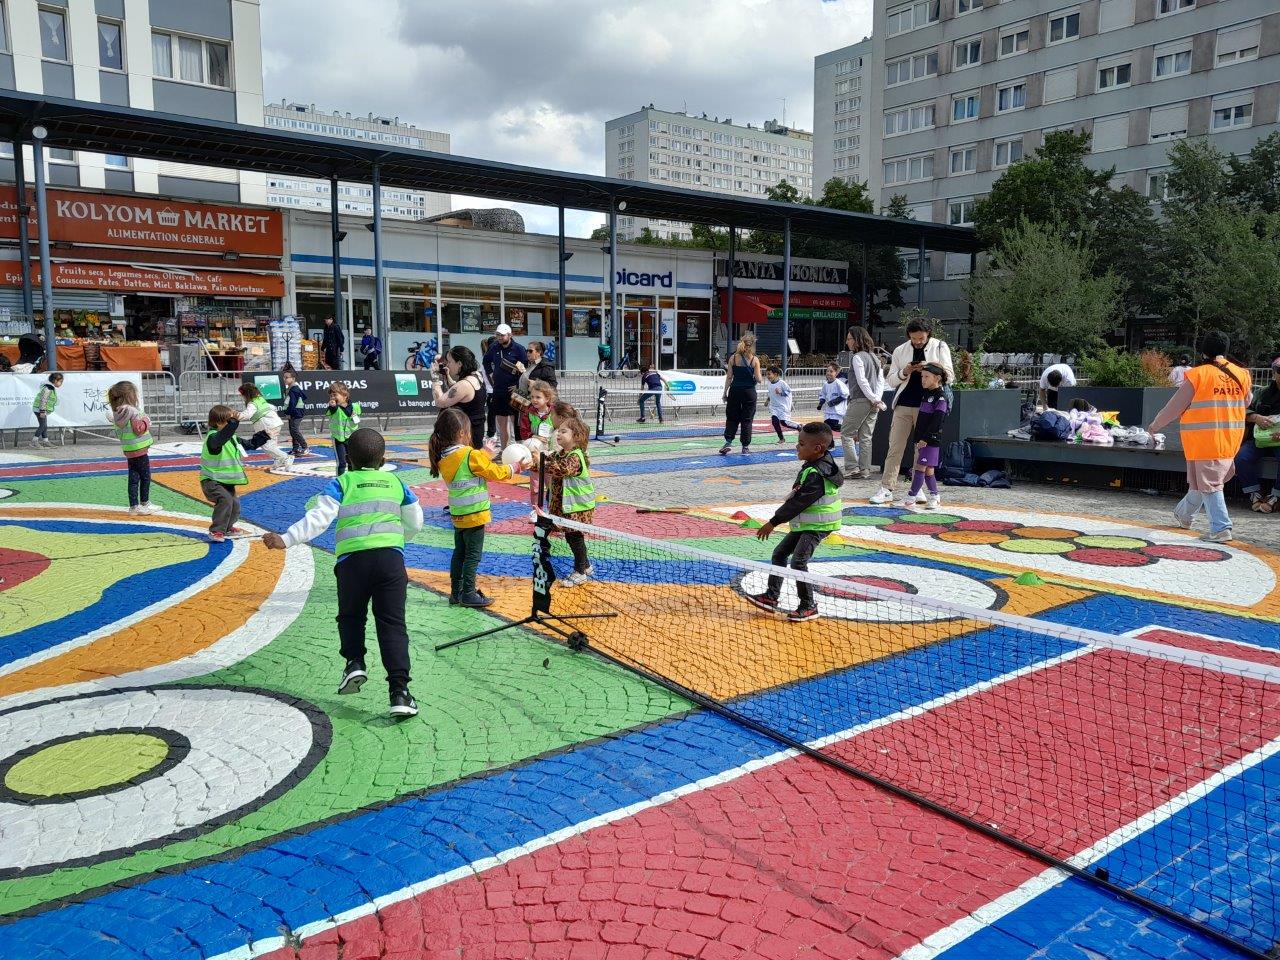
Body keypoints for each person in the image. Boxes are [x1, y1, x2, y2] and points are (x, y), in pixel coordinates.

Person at [264, 427, 422, 719]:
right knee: (392, 624)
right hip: (390, 560)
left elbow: (317, 519)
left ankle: (354, 663)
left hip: (351, 563)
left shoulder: (342, 483)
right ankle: (400, 692)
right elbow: (415, 520)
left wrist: (285, 539)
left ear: (347, 457)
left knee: (350, 616)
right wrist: (399, 539)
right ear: (383, 459)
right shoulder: (396, 483)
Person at [1148, 331, 1251, 543]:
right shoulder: (1242, 374)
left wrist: (1155, 426)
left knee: (1210, 483)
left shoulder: (1198, 375)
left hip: (1203, 440)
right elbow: (1247, 401)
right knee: (1199, 482)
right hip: (1230, 438)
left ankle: (1221, 528)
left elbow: (1174, 407)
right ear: (1225, 350)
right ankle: (1184, 516)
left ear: (1203, 351)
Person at [742, 422, 844, 623]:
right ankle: (771, 597)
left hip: (819, 525)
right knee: (780, 554)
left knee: (798, 561)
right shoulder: (816, 463)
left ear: (817, 449)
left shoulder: (817, 473)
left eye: (801, 443)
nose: (797, 446)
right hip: (807, 524)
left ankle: (808, 606)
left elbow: (798, 503)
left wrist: (773, 522)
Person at [429, 407, 522, 607]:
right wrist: (515, 468)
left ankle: (456, 592)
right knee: (473, 555)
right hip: (475, 514)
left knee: (459, 553)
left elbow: (468, 466)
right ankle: (469, 593)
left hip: (458, 515)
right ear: (462, 433)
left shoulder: (443, 456)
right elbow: (493, 472)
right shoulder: (470, 454)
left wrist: (484, 454)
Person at [870, 318, 954, 505]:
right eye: (914, 338)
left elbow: (950, 374)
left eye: (921, 338)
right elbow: (891, 380)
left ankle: (918, 489)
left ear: (928, 334)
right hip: (904, 403)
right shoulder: (900, 350)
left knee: (921, 448)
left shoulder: (939, 347)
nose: (917, 342)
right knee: (895, 446)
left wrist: (928, 366)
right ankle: (887, 488)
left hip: (928, 405)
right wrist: (905, 371)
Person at [541, 416, 597, 586]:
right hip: (565, 506)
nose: (558, 434)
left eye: (563, 431)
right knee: (572, 536)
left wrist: (542, 462)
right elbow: (550, 463)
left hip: (578, 507)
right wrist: (533, 462)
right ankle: (585, 565)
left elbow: (562, 469)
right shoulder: (561, 453)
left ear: (576, 436)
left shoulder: (575, 456)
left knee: (575, 537)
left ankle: (580, 572)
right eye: (558, 431)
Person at [898, 363, 950, 511]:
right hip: (922, 439)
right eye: (922, 376)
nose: (923, 380)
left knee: (920, 468)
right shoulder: (926, 394)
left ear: (937, 378)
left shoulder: (941, 398)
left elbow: (937, 421)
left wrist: (925, 439)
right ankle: (935, 497)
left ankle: (910, 497)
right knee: (928, 470)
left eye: (927, 377)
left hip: (930, 440)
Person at [1234, 357, 1280, 513]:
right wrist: (1256, 417)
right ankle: (1254, 493)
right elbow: (1243, 410)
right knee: (1241, 457)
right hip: (1259, 439)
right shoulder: (1261, 393)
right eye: (1279, 371)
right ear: (1274, 373)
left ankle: (1276, 497)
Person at [106, 380, 159, 515]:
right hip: (140, 449)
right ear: (130, 396)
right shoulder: (132, 411)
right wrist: (146, 421)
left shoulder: (117, 412)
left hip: (129, 450)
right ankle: (145, 502)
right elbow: (138, 429)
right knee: (145, 477)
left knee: (133, 478)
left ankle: (133, 506)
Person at [841, 326, 886, 480]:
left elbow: (862, 381)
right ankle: (865, 470)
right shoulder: (875, 357)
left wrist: (873, 398)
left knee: (846, 433)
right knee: (866, 437)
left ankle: (852, 467)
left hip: (860, 399)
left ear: (857, 340)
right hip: (874, 401)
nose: (847, 342)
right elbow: (880, 381)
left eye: (849, 339)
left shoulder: (857, 357)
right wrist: (877, 399)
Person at [199, 404, 247, 543]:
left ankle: (227, 527)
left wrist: (264, 435)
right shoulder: (213, 438)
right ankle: (216, 530)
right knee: (225, 500)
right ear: (219, 423)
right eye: (228, 421)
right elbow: (223, 435)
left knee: (235, 503)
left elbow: (248, 444)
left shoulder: (231, 437)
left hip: (225, 480)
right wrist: (234, 422)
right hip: (211, 480)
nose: (231, 425)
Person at [432, 345, 487, 448]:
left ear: (460, 363)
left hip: (464, 439)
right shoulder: (476, 376)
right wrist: (447, 376)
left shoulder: (465, 384)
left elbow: (440, 402)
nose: (446, 365)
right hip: (472, 433)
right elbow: (458, 392)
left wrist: (435, 378)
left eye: (449, 362)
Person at [483, 323, 528, 449]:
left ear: (510, 335)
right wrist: (491, 374)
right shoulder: (494, 347)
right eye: (498, 335)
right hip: (499, 390)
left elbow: (526, 369)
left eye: (502, 335)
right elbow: (486, 361)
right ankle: (504, 450)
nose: (499, 337)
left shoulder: (519, 349)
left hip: (517, 391)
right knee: (502, 422)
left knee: (518, 422)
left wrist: (518, 385)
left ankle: (521, 450)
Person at [719, 334, 762, 456]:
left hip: (735, 391)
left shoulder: (733, 358)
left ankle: (728, 442)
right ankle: (745, 446)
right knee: (747, 419)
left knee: (732, 417)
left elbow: (729, 377)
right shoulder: (755, 360)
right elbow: (759, 379)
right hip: (749, 392)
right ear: (752, 345)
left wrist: (725, 393)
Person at [236, 383, 293, 471]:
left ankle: (285, 457)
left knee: (266, 446)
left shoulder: (252, 403)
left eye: (242, 395)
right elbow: (272, 407)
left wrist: (236, 415)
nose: (242, 397)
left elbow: (247, 415)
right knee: (272, 445)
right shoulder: (260, 398)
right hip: (274, 423)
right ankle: (278, 459)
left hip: (268, 426)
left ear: (247, 394)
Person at [327, 381, 360, 476]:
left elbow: (357, 420)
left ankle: (351, 479)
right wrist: (332, 406)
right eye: (331, 396)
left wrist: (355, 417)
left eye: (335, 395)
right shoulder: (334, 408)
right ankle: (340, 481)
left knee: (352, 461)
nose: (332, 398)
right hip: (338, 439)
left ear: (345, 395)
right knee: (341, 463)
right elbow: (332, 409)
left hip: (352, 438)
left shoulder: (355, 406)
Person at [765, 366, 799, 443]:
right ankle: (781, 438)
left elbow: (789, 392)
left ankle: (799, 427)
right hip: (774, 407)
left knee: (784, 423)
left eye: (769, 374)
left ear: (776, 374)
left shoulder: (782, 383)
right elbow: (771, 394)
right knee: (774, 421)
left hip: (783, 407)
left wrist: (781, 392)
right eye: (766, 374)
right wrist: (767, 400)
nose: (767, 376)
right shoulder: (769, 384)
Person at [31, 371, 62, 447]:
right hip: (40, 409)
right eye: (60, 381)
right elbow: (43, 399)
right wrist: (42, 411)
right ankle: (34, 441)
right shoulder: (48, 388)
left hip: (41, 410)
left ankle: (45, 441)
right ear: (55, 381)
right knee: (42, 426)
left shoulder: (51, 388)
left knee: (44, 425)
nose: (61, 383)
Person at [282, 368, 309, 456]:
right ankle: (295, 448)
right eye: (284, 377)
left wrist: (289, 413)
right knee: (292, 430)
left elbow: (292, 403)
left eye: (287, 377)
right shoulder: (290, 389)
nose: (284, 379)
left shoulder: (294, 390)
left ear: (293, 379)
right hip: (294, 413)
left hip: (296, 413)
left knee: (294, 430)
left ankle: (305, 447)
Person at [817, 362, 849, 433]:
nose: (829, 373)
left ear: (836, 373)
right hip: (828, 413)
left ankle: (852, 437)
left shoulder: (839, 383)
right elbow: (823, 394)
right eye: (827, 371)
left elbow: (845, 394)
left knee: (838, 430)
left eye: (831, 371)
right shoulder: (825, 384)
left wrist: (834, 402)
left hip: (837, 413)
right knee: (827, 432)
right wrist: (821, 403)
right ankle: (829, 444)